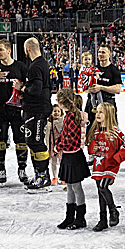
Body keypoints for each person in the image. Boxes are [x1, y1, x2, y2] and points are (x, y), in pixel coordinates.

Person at [0, 39, 29, 185]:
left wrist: (22, 88)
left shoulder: (20, 67)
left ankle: (22, 169)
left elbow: (29, 86)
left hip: (17, 110)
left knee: (21, 140)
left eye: (1, 49)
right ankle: (1, 169)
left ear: (9, 50)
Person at [87, 102, 125, 231]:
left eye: (101, 112)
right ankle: (103, 220)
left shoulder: (116, 132)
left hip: (111, 165)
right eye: (97, 111)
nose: (98, 114)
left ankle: (113, 210)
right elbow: (91, 148)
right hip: (99, 165)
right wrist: (92, 148)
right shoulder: (95, 131)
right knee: (100, 192)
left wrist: (117, 158)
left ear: (109, 114)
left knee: (103, 187)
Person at [20, 37, 54, 191]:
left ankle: (43, 176)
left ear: (28, 48)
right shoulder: (43, 63)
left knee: (36, 142)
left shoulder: (35, 66)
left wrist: (22, 88)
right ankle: (38, 174)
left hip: (37, 110)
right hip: (36, 109)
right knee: (33, 141)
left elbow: (36, 89)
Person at [55, 88, 91, 230]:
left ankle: (80, 218)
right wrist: (58, 144)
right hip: (68, 155)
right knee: (70, 186)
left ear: (61, 103)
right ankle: (69, 217)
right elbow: (63, 135)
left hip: (74, 156)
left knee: (76, 186)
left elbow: (69, 140)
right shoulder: (68, 116)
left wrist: (58, 146)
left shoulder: (71, 117)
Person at [89, 45, 123, 116]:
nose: (100, 54)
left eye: (103, 52)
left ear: (109, 54)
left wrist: (101, 87)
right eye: (99, 52)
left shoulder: (114, 70)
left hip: (108, 103)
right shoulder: (93, 69)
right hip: (92, 103)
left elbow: (117, 89)